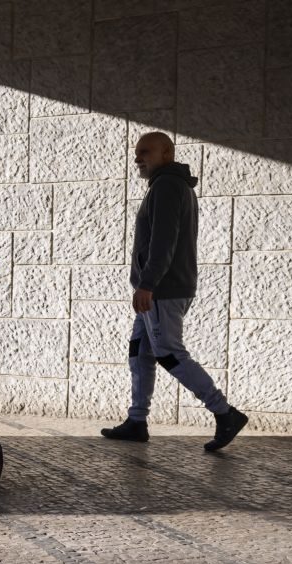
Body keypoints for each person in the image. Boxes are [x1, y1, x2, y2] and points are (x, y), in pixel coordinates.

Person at [101, 132, 247, 451]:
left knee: (168, 352)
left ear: (166, 153)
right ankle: (137, 421)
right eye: (136, 152)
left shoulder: (167, 186)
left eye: (146, 152)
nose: (138, 157)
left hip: (162, 290)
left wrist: (147, 284)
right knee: (141, 351)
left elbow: (163, 241)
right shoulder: (167, 185)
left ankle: (225, 413)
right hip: (161, 288)